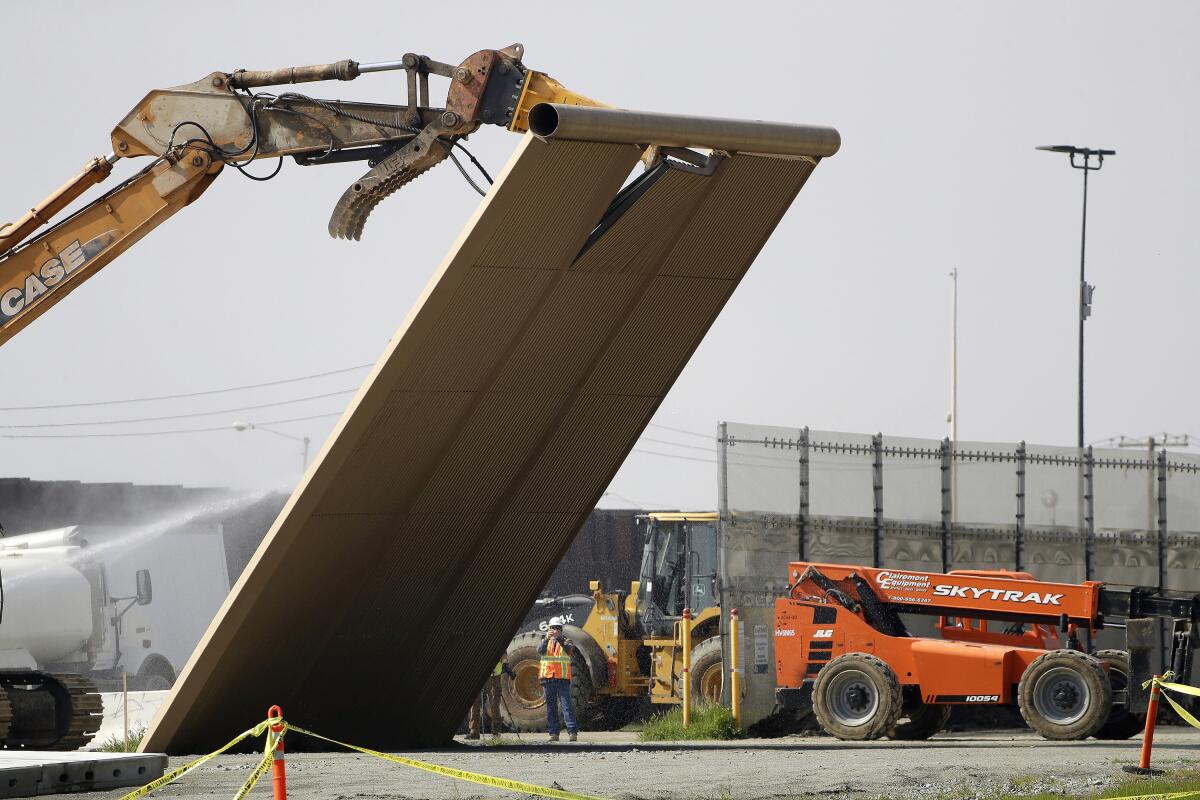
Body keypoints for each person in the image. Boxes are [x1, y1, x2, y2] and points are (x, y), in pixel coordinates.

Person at [538, 616, 579, 742]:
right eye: (552, 628)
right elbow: (540, 651)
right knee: (551, 708)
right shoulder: (544, 641)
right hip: (548, 678)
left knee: (567, 706)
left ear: (561, 630)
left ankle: (572, 732)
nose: (554, 630)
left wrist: (559, 638)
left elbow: (568, 650)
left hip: (562, 679)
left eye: (557, 628)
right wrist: (546, 638)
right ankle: (553, 734)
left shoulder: (567, 641)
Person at [467, 655, 514, 739]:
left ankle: (496, 732)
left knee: (494, 705)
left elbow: (504, 657)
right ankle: (474, 731)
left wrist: (506, 666)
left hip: (494, 676)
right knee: (474, 703)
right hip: (479, 673)